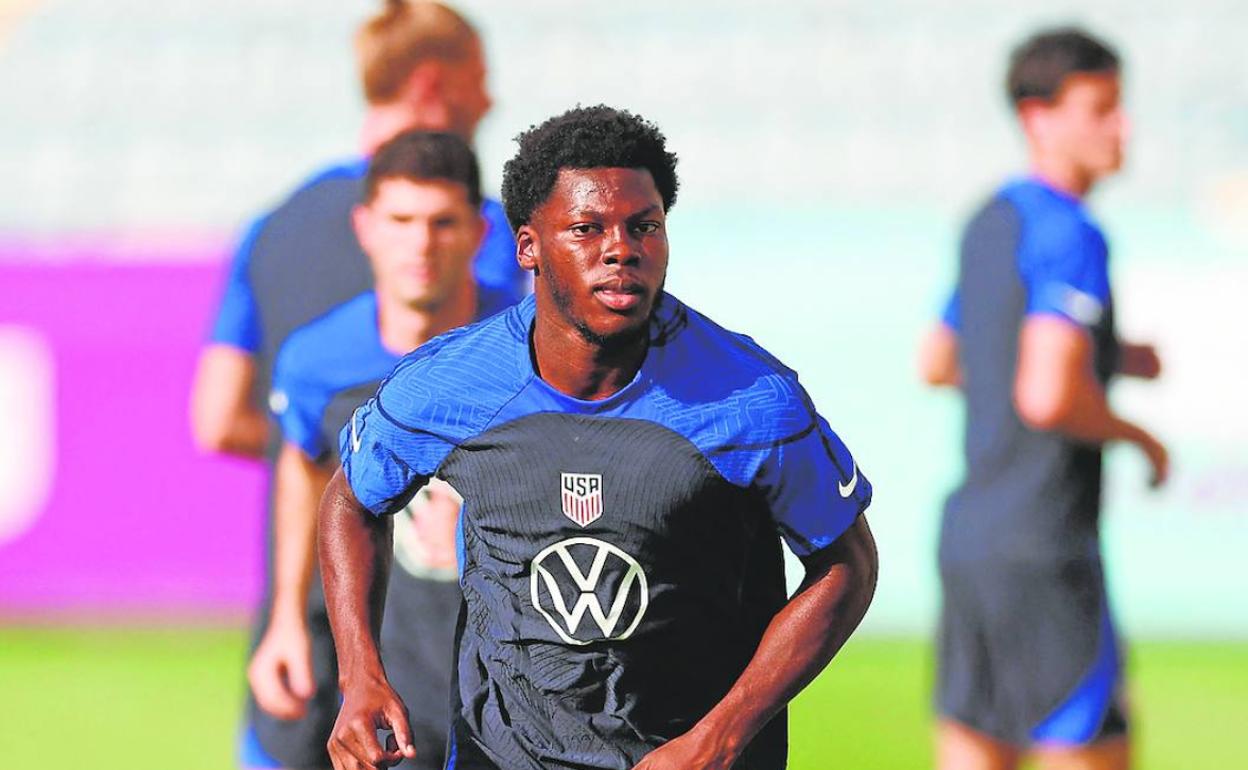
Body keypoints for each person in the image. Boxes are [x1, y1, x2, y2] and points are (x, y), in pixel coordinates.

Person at [318, 105, 879, 770]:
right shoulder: (449, 384)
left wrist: (721, 737)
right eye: (588, 228)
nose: (622, 248)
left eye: (644, 226)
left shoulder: (749, 400)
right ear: (528, 246)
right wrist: (361, 676)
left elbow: (848, 564)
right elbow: (351, 500)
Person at [186, 3, 525, 768]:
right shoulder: (495, 237)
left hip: (302, 628)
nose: (492, 100)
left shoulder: (272, 227)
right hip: (432, 641)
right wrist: (402, 473)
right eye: (481, 81)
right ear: (436, 85)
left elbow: (216, 419)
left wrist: (353, 459)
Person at [917, 27, 1168, 770]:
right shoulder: (1072, 232)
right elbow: (1049, 396)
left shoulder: (989, 219)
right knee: (1093, 743)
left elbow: (938, 360)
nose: (1121, 128)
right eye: (1101, 108)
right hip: (1045, 542)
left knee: (976, 740)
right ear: (1039, 118)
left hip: (971, 537)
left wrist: (1113, 357)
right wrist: (1141, 437)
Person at [247, 131, 513, 770]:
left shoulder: (531, 350)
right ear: (364, 227)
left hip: (515, 677)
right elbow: (303, 467)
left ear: (479, 232)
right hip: (389, 679)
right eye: (401, 221)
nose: (421, 244)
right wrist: (285, 616)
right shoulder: (317, 361)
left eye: (442, 222)